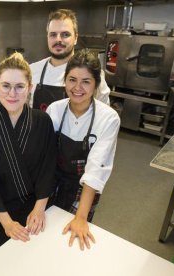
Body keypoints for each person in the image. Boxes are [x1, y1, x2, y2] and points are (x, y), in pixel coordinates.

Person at [0, 52, 57, 256]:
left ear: (30, 88)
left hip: (34, 209)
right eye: (6, 86)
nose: (12, 93)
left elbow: (48, 167)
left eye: (19, 86)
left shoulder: (43, 121)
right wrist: (7, 223)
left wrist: (39, 208)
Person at [46, 49, 120, 250]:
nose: (77, 87)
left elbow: (96, 168)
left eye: (86, 81)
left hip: (85, 187)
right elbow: (45, 158)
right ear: (65, 82)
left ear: (96, 85)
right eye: (72, 80)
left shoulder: (108, 118)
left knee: (71, 237)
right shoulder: (55, 109)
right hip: (54, 181)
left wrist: (81, 217)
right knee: (47, 232)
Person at [30, 9, 110, 111]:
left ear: (76, 38)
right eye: (53, 34)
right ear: (47, 37)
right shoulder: (33, 70)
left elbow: (103, 112)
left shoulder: (91, 72)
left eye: (65, 34)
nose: (58, 39)